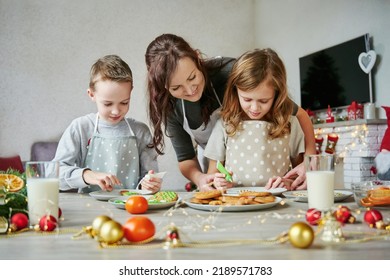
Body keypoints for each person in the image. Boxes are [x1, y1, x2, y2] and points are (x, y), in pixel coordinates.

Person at [145, 34, 315, 191]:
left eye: (192, 78)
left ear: (197, 59)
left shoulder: (231, 72)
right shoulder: (170, 106)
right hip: (218, 168)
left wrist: (309, 161)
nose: (190, 90)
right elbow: (186, 158)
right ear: (164, 87)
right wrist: (200, 178)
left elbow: (298, 114)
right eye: (176, 87)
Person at [53, 55, 161, 193]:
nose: (116, 111)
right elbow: (54, 175)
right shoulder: (80, 128)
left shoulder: (140, 131)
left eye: (124, 102)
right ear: (91, 94)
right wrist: (88, 175)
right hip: (89, 210)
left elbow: (150, 178)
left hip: (131, 208)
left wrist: (149, 185)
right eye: (108, 104)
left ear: (130, 92)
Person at [204, 48, 305, 190]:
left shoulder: (290, 124)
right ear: (235, 91)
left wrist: (289, 183)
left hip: (279, 204)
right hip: (236, 205)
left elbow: (298, 174)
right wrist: (218, 182)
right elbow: (212, 175)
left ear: (277, 94)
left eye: (264, 101)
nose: (255, 108)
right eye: (247, 99)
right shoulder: (224, 124)